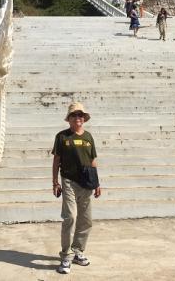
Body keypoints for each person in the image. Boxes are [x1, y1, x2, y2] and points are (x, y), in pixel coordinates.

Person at [52, 102, 101, 275]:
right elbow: (56, 160)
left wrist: (97, 183)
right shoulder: (62, 137)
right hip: (69, 181)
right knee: (70, 217)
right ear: (69, 119)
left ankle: (78, 251)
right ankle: (66, 255)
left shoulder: (88, 137)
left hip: (87, 183)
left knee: (86, 220)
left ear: (84, 119)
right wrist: (55, 182)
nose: (78, 118)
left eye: (81, 115)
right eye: (75, 115)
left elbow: (93, 160)